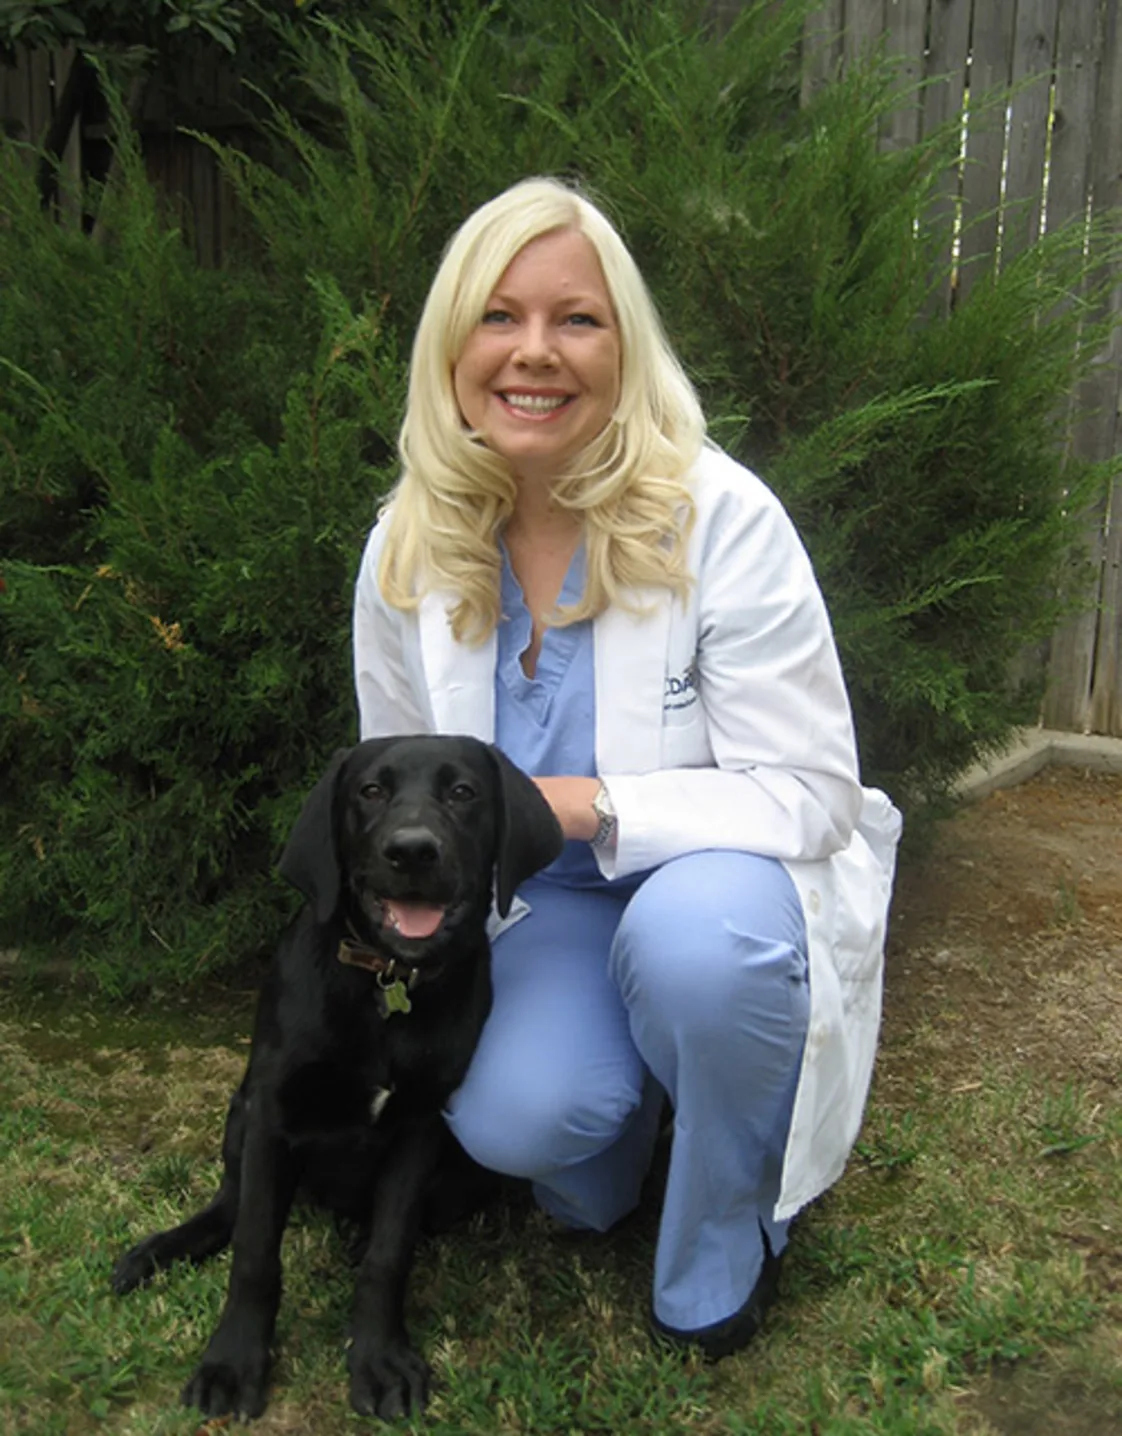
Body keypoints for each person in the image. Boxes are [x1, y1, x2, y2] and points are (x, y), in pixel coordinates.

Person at [352, 176, 902, 1358]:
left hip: (716, 883)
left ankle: (720, 1239)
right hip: (539, 905)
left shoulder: (723, 518)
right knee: (528, 1123)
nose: (533, 351)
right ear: (452, 346)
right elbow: (393, 784)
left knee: (697, 954)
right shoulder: (410, 542)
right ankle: (632, 1118)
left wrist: (588, 802)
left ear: (625, 346)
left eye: (577, 319)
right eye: (498, 316)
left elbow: (814, 793)